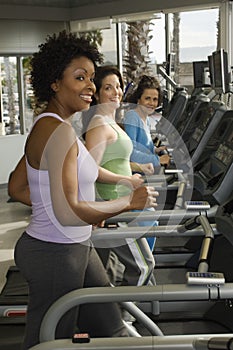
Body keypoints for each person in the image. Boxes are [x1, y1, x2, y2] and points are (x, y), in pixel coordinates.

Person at [8, 31, 159, 350]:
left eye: (92, 77)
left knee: (111, 329)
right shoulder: (58, 131)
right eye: (80, 77)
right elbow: (67, 209)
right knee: (50, 342)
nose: (90, 86)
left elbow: (18, 186)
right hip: (54, 252)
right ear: (54, 82)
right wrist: (127, 202)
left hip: (75, 245)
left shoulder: (52, 126)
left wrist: (59, 207)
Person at [82, 65, 157, 286]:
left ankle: (110, 316)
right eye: (108, 88)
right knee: (144, 266)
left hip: (123, 203)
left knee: (109, 270)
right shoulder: (98, 125)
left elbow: (116, 161)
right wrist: (126, 180)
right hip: (115, 206)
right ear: (96, 93)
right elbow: (90, 169)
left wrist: (136, 173)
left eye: (118, 86)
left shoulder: (110, 121)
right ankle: (124, 320)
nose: (116, 92)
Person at [123, 74, 170, 169]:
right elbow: (131, 153)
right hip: (136, 174)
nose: (151, 103)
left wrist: (155, 150)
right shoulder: (132, 117)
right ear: (138, 99)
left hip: (146, 170)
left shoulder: (146, 118)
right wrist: (158, 160)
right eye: (147, 98)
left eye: (155, 99)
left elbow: (142, 146)